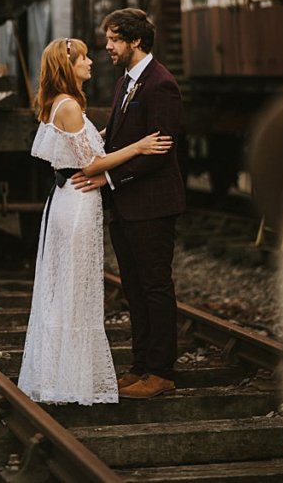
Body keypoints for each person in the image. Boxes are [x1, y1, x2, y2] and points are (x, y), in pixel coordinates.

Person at [19, 37, 172, 405]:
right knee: (75, 291)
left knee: (71, 289)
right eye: (84, 58)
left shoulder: (62, 104)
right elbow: (89, 164)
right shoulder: (69, 105)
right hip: (77, 203)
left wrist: (108, 138)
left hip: (68, 201)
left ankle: (62, 373)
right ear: (67, 68)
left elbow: (85, 147)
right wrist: (138, 147)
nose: (92, 61)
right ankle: (69, 379)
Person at [71, 8, 185, 399]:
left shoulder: (160, 84)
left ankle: (161, 372)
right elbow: (120, 138)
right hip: (126, 206)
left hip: (152, 204)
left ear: (136, 41)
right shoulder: (125, 83)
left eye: (115, 39)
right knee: (134, 288)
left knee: (155, 286)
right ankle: (139, 367)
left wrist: (110, 177)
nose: (107, 47)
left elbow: (161, 151)